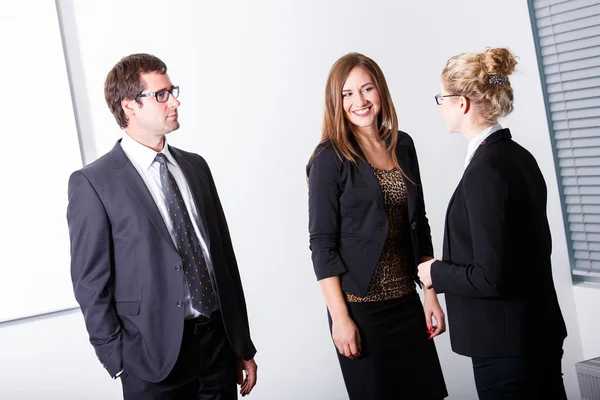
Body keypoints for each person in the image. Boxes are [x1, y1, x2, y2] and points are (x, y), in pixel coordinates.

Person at [67, 53, 257, 399]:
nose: (175, 101)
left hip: (217, 345)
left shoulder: (195, 167)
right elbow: (90, 283)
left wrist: (241, 343)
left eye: (172, 91)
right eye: (161, 94)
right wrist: (118, 359)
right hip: (152, 360)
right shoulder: (94, 183)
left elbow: (223, 260)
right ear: (129, 106)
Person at [418, 47, 568, 400]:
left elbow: (491, 276)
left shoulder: (485, 172)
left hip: (507, 349)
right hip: (533, 334)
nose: (440, 107)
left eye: (442, 98)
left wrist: (434, 274)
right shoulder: (518, 157)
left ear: (463, 104)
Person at [306, 52, 448, 400]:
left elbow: (419, 225)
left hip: (406, 304)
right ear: (336, 102)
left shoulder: (403, 144)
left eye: (367, 89)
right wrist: (340, 318)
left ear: (380, 91)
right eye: (348, 94)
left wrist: (430, 293)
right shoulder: (329, 158)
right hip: (361, 311)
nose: (360, 101)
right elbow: (321, 244)